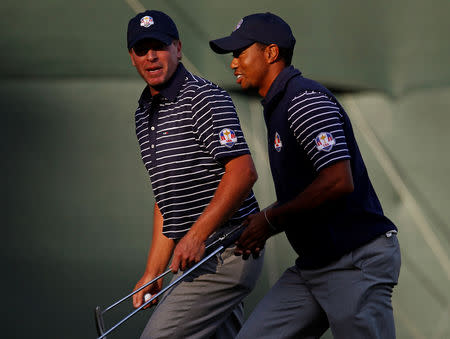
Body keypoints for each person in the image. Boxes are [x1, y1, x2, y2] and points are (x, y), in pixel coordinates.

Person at [210, 12, 401, 339]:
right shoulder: (279, 103)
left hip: (355, 261)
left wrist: (270, 221)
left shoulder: (302, 99)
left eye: (240, 53)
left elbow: (339, 180)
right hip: (314, 266)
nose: (233, 63)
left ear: (270, 53)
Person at [126, 10, 264, 339]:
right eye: (141, 49)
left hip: (228, 249)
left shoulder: (204, 98)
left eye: (158, 46)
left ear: (177, 48)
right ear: (132, 57)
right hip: (197, 255)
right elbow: (167, 199)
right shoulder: (144, 112)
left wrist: (196, 236)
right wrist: (153, 271)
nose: (151, 57)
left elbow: (243, 173)